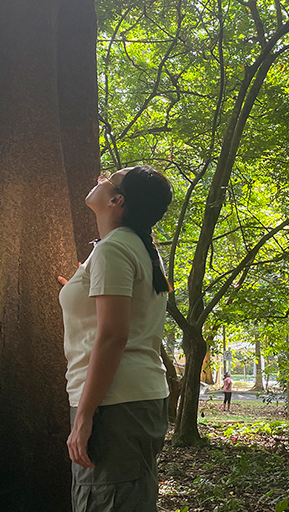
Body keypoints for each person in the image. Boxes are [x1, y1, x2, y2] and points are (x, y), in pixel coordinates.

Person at [58, 165, 173, 512]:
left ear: (117, 200)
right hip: (136, 398)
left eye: (108, 178)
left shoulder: (115, 249)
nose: (100, 177)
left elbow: (113, 336)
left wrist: (84, 417)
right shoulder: (134, 245)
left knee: (103, 501)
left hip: (114, 404)